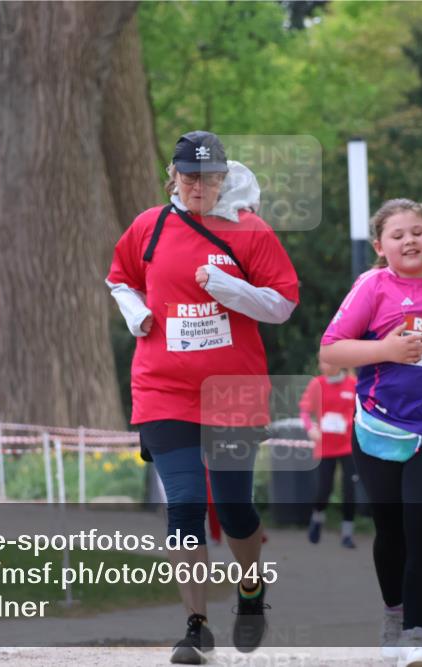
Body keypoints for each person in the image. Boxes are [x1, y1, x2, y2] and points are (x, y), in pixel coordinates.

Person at [106, 130, 299, 664]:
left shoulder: (251, 231)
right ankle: (195, 628)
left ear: (222, 177)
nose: (197, 185)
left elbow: (283, 304)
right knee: (186, 506)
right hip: (164, 388)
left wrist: (230, 289)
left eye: (208, 177)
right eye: (188, 176)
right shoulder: (150, 226)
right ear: (173, 176)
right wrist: (136, 314)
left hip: (233, 391)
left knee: (234, 506)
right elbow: (119, 277)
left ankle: (251, 592)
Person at [319, 198, 422, 666]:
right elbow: (331, 352)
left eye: (417, 231)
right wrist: (388, 350)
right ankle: (394, 614)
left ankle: (416, 635)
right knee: (392, 531)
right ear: (380, 246)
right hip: (380, 425)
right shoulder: (373, 286)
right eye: (398, 235)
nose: (409, 240)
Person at [299, 358, 358, 549]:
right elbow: (305, 412)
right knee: (324, 488)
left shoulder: (353, 384)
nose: (324, 366)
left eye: (329, 362)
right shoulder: (318, 384)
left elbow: (363, 410)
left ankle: (347, 533)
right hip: (325, 446)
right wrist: (310, 428)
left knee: (350, 489)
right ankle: (317, 519)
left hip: (349, 445)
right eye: (322, 363)